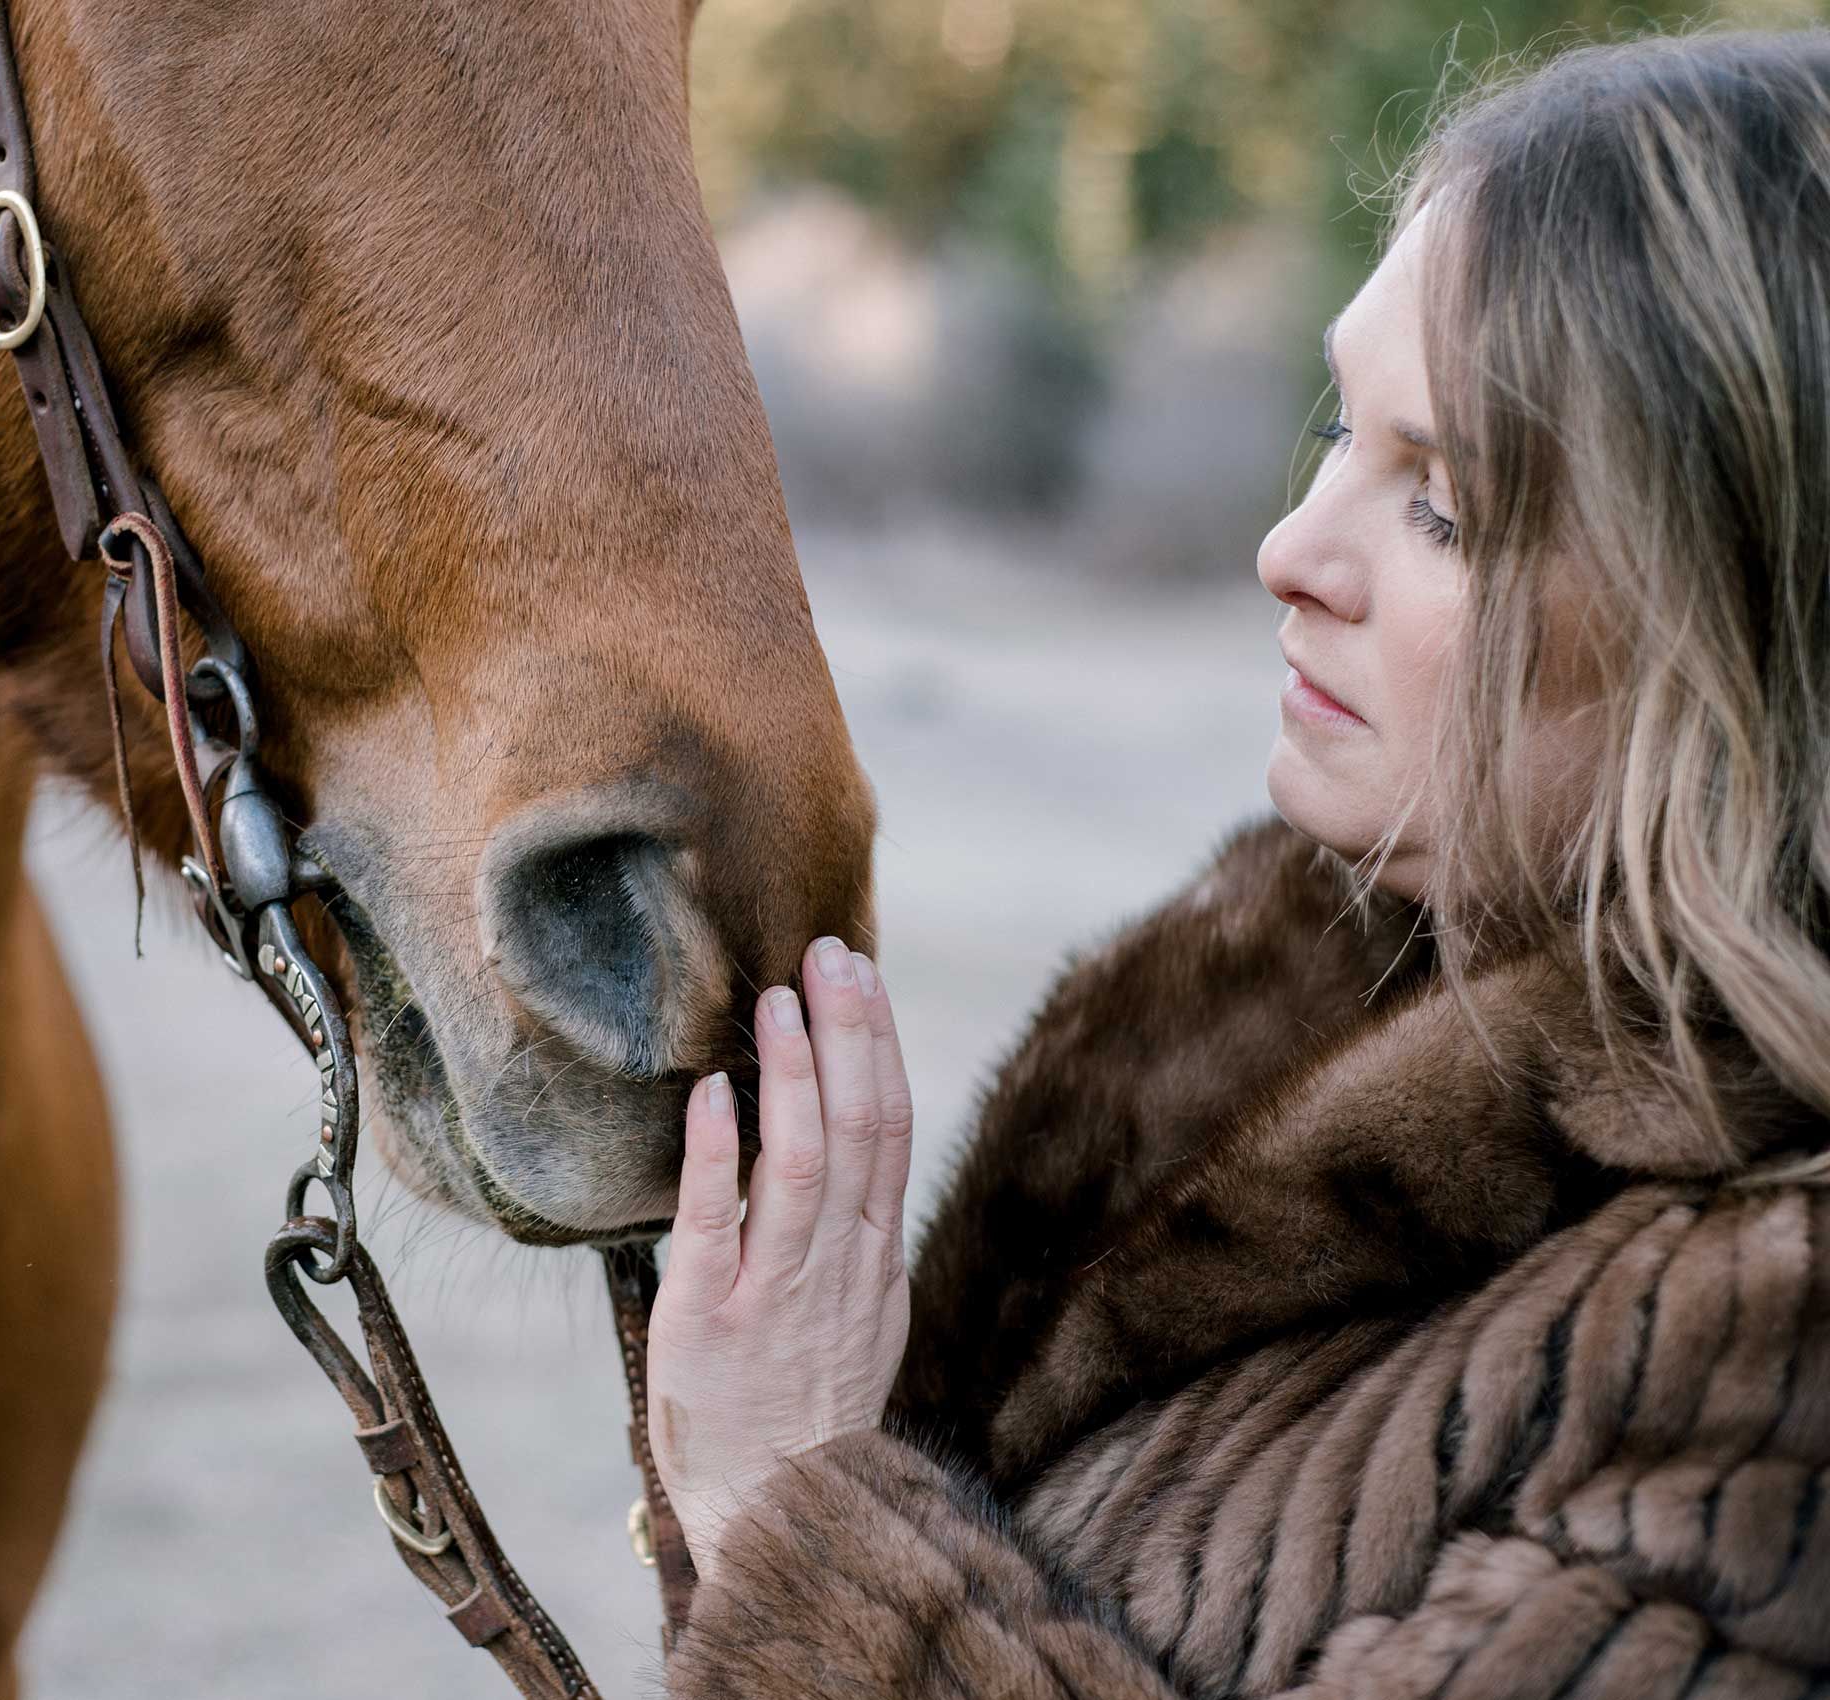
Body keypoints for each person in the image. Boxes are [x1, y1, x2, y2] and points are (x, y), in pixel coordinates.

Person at [645, 29, 1830, 1698]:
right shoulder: (1267, 1001)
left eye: (1445, 504)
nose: (1292, 553)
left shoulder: (1765, 1343)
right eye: (1339, 431)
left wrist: (789, 1507)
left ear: (1738, 629)